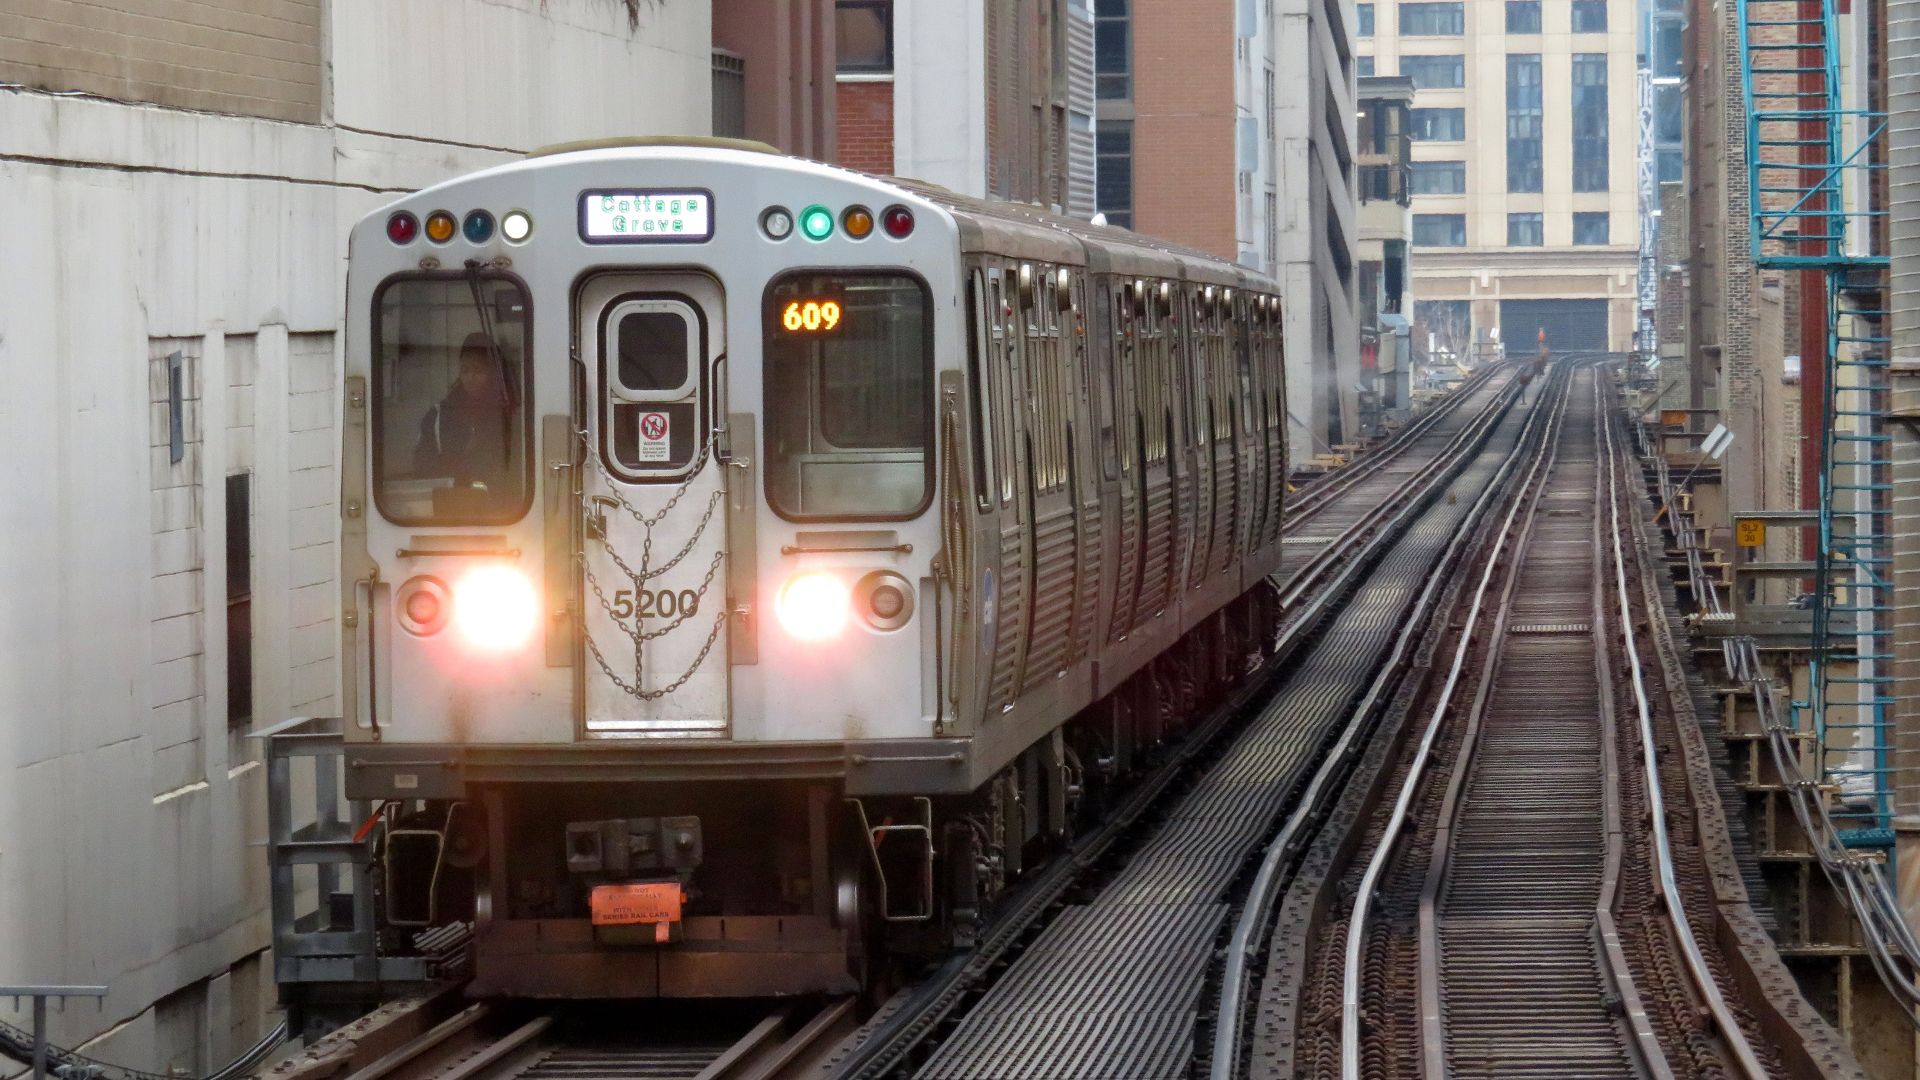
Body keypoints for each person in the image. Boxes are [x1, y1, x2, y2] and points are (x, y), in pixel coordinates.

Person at [415, 332, 514, 491]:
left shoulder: (509, 416)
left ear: (493, 373)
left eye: (478, 370)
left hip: (500, 508)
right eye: (465, 370)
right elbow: (421, 464)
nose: (471, 377)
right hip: (451, 503)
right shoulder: (437, 415)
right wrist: (452, 471)